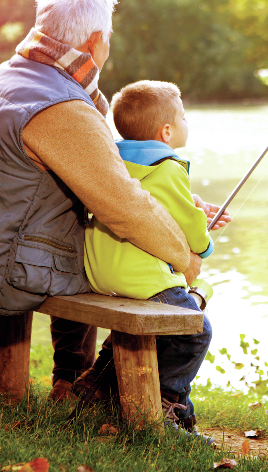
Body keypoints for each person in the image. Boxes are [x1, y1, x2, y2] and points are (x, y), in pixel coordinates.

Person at [0, 0, 229, 402]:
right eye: (108, 38)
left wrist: (187, 206)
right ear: (96, 41)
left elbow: (107, 177)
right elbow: (125, 206)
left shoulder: (7, 77)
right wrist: (184, 255)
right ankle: (100, 388)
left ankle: (71, 380)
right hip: (5, 269)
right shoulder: (62, 107)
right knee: (135, 272)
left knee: (101, 244)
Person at [79, 80, 213, 432]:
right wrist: (205, 243)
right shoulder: (169, 166)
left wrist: (192, 202)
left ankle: (96, 385)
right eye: (183, 117)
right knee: (196, 331)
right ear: (166, 131)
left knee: (146, 327)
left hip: (99, 270)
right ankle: (165, 403)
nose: (187, 122)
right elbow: (189, 228)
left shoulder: (112, 159)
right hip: (139, 277)